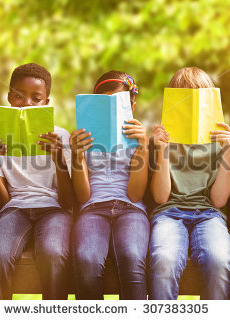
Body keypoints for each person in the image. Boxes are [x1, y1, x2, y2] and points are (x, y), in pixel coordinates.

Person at [0, 63, 74, 300]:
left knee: (53, 253)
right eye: (20, 96)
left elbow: (67, 200)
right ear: (10, 97)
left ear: (46, 102)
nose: (28, 103)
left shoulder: (60, 136)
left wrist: (59, 159)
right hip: (15, 209)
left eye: (36, 98)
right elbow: (2, 200)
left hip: (54, 209)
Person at [148, 67, 230, 300]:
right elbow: (160, 197)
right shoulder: (163, 139)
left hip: (208, 214)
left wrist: (228, 151)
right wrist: (162, 151)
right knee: (164, 261)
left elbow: (218, 200)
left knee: (219, 261)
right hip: (169, 213)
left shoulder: (219, 140)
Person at [70, 71, 149, 299]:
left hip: (131, 209)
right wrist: (76, 156)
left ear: (131, 106)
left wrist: (143, 147)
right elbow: (83, 196)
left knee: (132, 257)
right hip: (93, 208)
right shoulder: (84, 139)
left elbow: (135, 195)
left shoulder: (137, 140)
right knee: (87, 260)